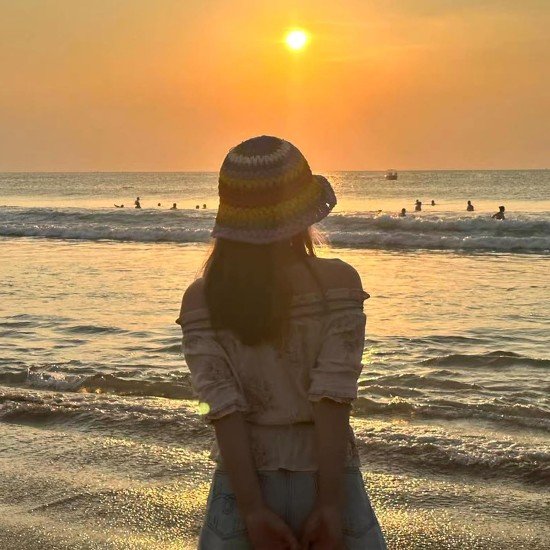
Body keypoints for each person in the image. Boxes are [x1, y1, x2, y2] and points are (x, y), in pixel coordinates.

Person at [177, 136, 387, 550]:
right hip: (329, 478)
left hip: (241, 488)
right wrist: (329, 505)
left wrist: (253, 511)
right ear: (302, 211)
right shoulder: (339, 284)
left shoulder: (203, 298)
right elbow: (331, 398)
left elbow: (223, 410)